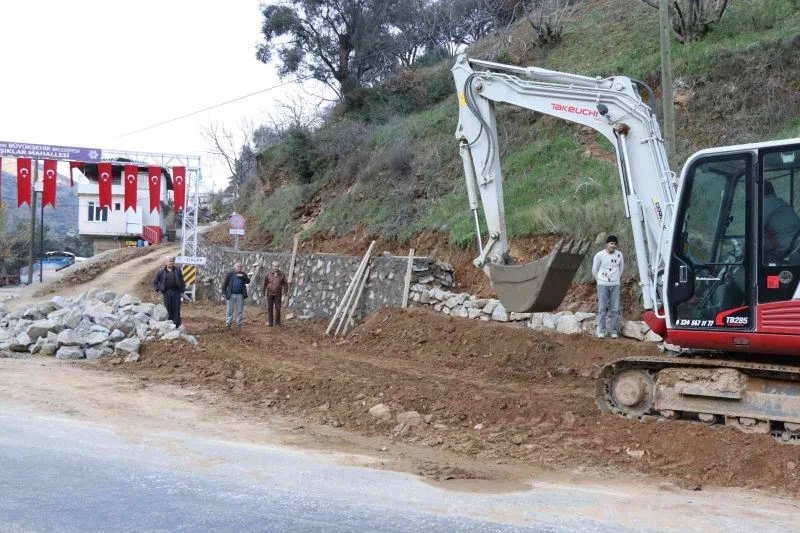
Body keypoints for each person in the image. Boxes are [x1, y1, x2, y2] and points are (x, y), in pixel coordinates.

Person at [592, 235, 624, 339]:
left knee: (615, 309)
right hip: (602, 285)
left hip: (615, 285)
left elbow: (621, 268)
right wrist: (599, 281)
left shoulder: (619, 255)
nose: (613, 246)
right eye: (611, 243)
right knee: (602, 308)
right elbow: (594, 269)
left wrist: (616, 279)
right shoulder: (599, 255)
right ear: (607, 244)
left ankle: (614, 331)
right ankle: (601, 331)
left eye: (615, 244)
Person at [763, 181, 800, 264]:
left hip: (790, 250)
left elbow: (753, 229)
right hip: (795, 247)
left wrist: (744, 251)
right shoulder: (779, 203)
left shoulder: (766, 204)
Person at [152, 256, 185, 326]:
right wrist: (158, 289)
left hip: (176, 292)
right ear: (165, 263)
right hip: (166, 292)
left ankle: (176, 325)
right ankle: (169, 324)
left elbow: (182, 281)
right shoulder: (161, 272)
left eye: (172, 261)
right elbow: (154, 281)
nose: (171, 262)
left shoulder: (177, 270)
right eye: (170, 261)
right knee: (168, 308)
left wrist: (182, 290)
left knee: (176, 308)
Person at [222, 262, 251, 329]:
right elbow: (225, 284)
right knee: (229, 310)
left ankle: (238, 324)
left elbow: (248, 281)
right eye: (238, 266)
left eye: (241, 266)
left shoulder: (243, 274)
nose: (240, 267)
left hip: (240, 295)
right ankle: (228, 324)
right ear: (234, 267)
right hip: (231, 294)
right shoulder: (230, 274)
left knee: (239, 311)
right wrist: (224, 292)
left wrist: (243, 277)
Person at [263, 260, 289, 326]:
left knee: (278, 308)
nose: (276, 268)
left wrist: (286, 292)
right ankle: (270, 323)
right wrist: (263, 292)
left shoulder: (282, 274)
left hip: (278, 294)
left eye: (277, 266)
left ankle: (277, 322)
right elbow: (265, 284)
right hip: (269, 294)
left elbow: (285, 284)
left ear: (279, 267)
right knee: (270, 308)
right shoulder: (268, 274)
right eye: (274, 266)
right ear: (272, 267)